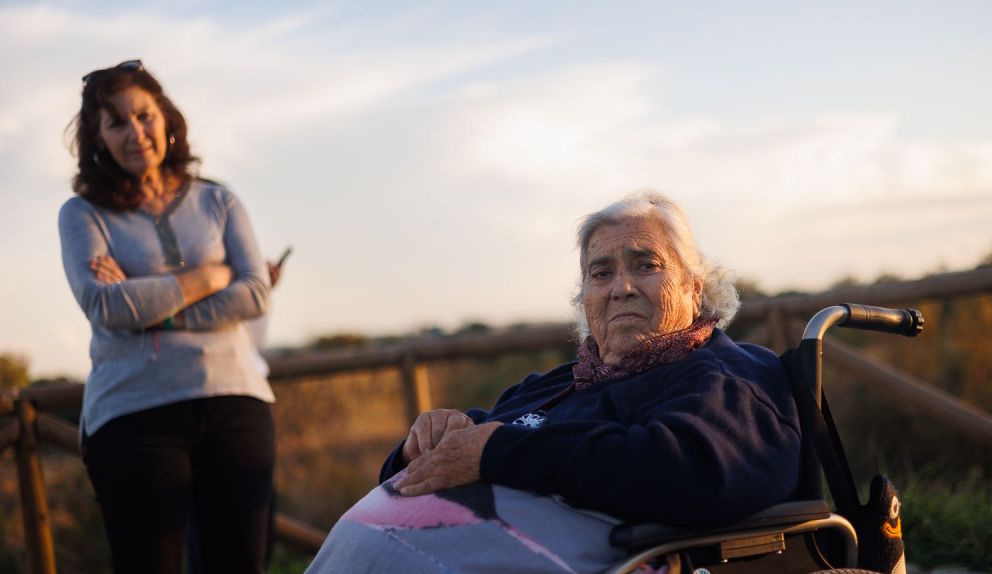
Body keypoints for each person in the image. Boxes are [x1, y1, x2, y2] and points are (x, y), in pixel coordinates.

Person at [306, 191, 802, 573]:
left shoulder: (725, 374)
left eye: (646, 265)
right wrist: (423, 447)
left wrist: (496, 453)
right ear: (583, 296)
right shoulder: (558, 384)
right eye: (600, 273)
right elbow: (478, 446)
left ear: (695, 288)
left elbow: (696, 473)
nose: (621, 288)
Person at [58, 59, 275, 574]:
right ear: (99, 139)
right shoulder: (83, 214)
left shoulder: (218, 200)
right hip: (133, 417)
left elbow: (255, 294)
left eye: (144, 115)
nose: (135, 132)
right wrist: (208, 278)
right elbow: (107, 307)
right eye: (116, 122)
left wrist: (156, 311)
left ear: (166, 118)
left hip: (236, 404)